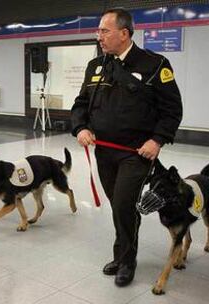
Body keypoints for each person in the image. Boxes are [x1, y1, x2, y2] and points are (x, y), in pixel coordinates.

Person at [71, 8, 182, 287]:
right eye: (98, 31)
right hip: (104, 150)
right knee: (119, 206)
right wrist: (81, 127)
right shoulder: (96, 66)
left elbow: (172, 110)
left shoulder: (154, 64)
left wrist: (157, 140)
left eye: (104, 31)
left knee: (122, 204)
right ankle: (122, 253)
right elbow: (81, 104)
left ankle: (126, 260)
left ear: (124, 33)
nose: (99, 37)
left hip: (136, 153)